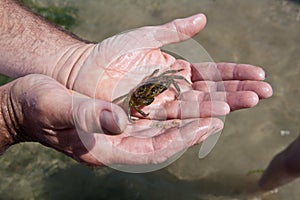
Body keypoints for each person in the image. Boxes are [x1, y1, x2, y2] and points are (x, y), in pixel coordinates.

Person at [0, 0, 272, 166]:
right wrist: (10, 116)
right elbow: (132, 105)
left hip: (146, 86)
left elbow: (170, 78)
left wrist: (72, 62)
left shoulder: (161, 81)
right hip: (134, 97)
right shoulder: (135, 100)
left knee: (165, 81)